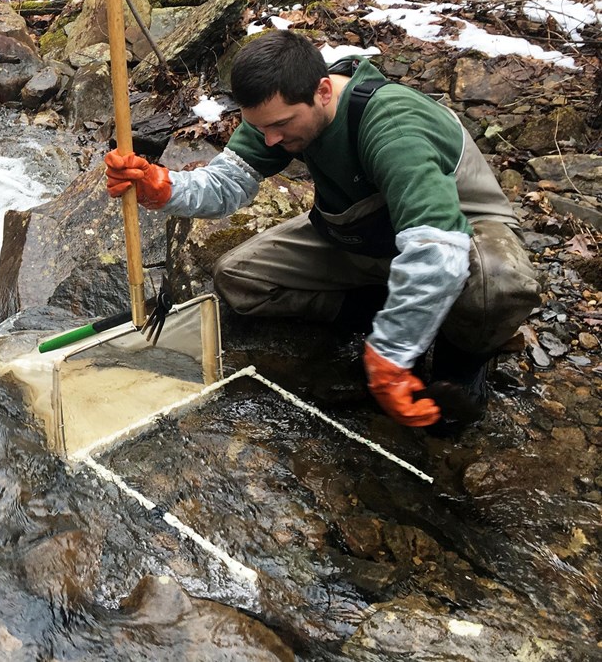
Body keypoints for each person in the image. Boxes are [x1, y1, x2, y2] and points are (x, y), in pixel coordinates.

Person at [105, 30, 539, 430]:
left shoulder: (393, 125)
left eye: (281, 125)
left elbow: (435, 250)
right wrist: (161, 187)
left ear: (324, 91)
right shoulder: (278, 111)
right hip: (362, 233)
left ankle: (460, 358)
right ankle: (403, 313)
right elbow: (225, 185)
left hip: (458, 234)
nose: (270, 139)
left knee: (496, 286)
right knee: (239, 280)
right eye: (260, 127)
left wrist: (390, 354)